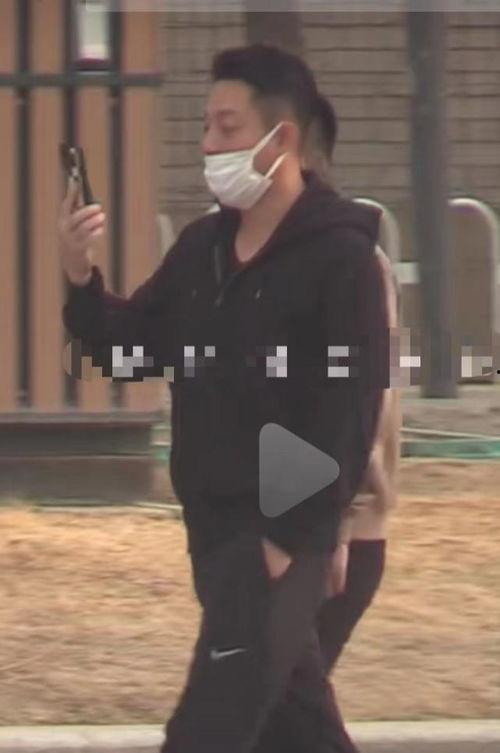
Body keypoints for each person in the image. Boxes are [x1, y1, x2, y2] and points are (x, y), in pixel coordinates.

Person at [59, 44, 389, 753]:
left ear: (282, 139)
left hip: (275, 540)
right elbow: (131, 349)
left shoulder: (340, 258)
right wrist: (81, 277)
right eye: (205, 127)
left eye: (228, 127)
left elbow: (347, 411)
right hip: (212, 533)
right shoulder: (204, 248)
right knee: (296, 731)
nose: (209, 144)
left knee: (204, 731)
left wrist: (287, 538)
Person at [297, 93, 402, 753]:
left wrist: (335, 522)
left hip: (333, 531)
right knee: (278, 713)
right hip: (287, 528)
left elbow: (360, 400)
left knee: (282, 706)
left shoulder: (347, 261)